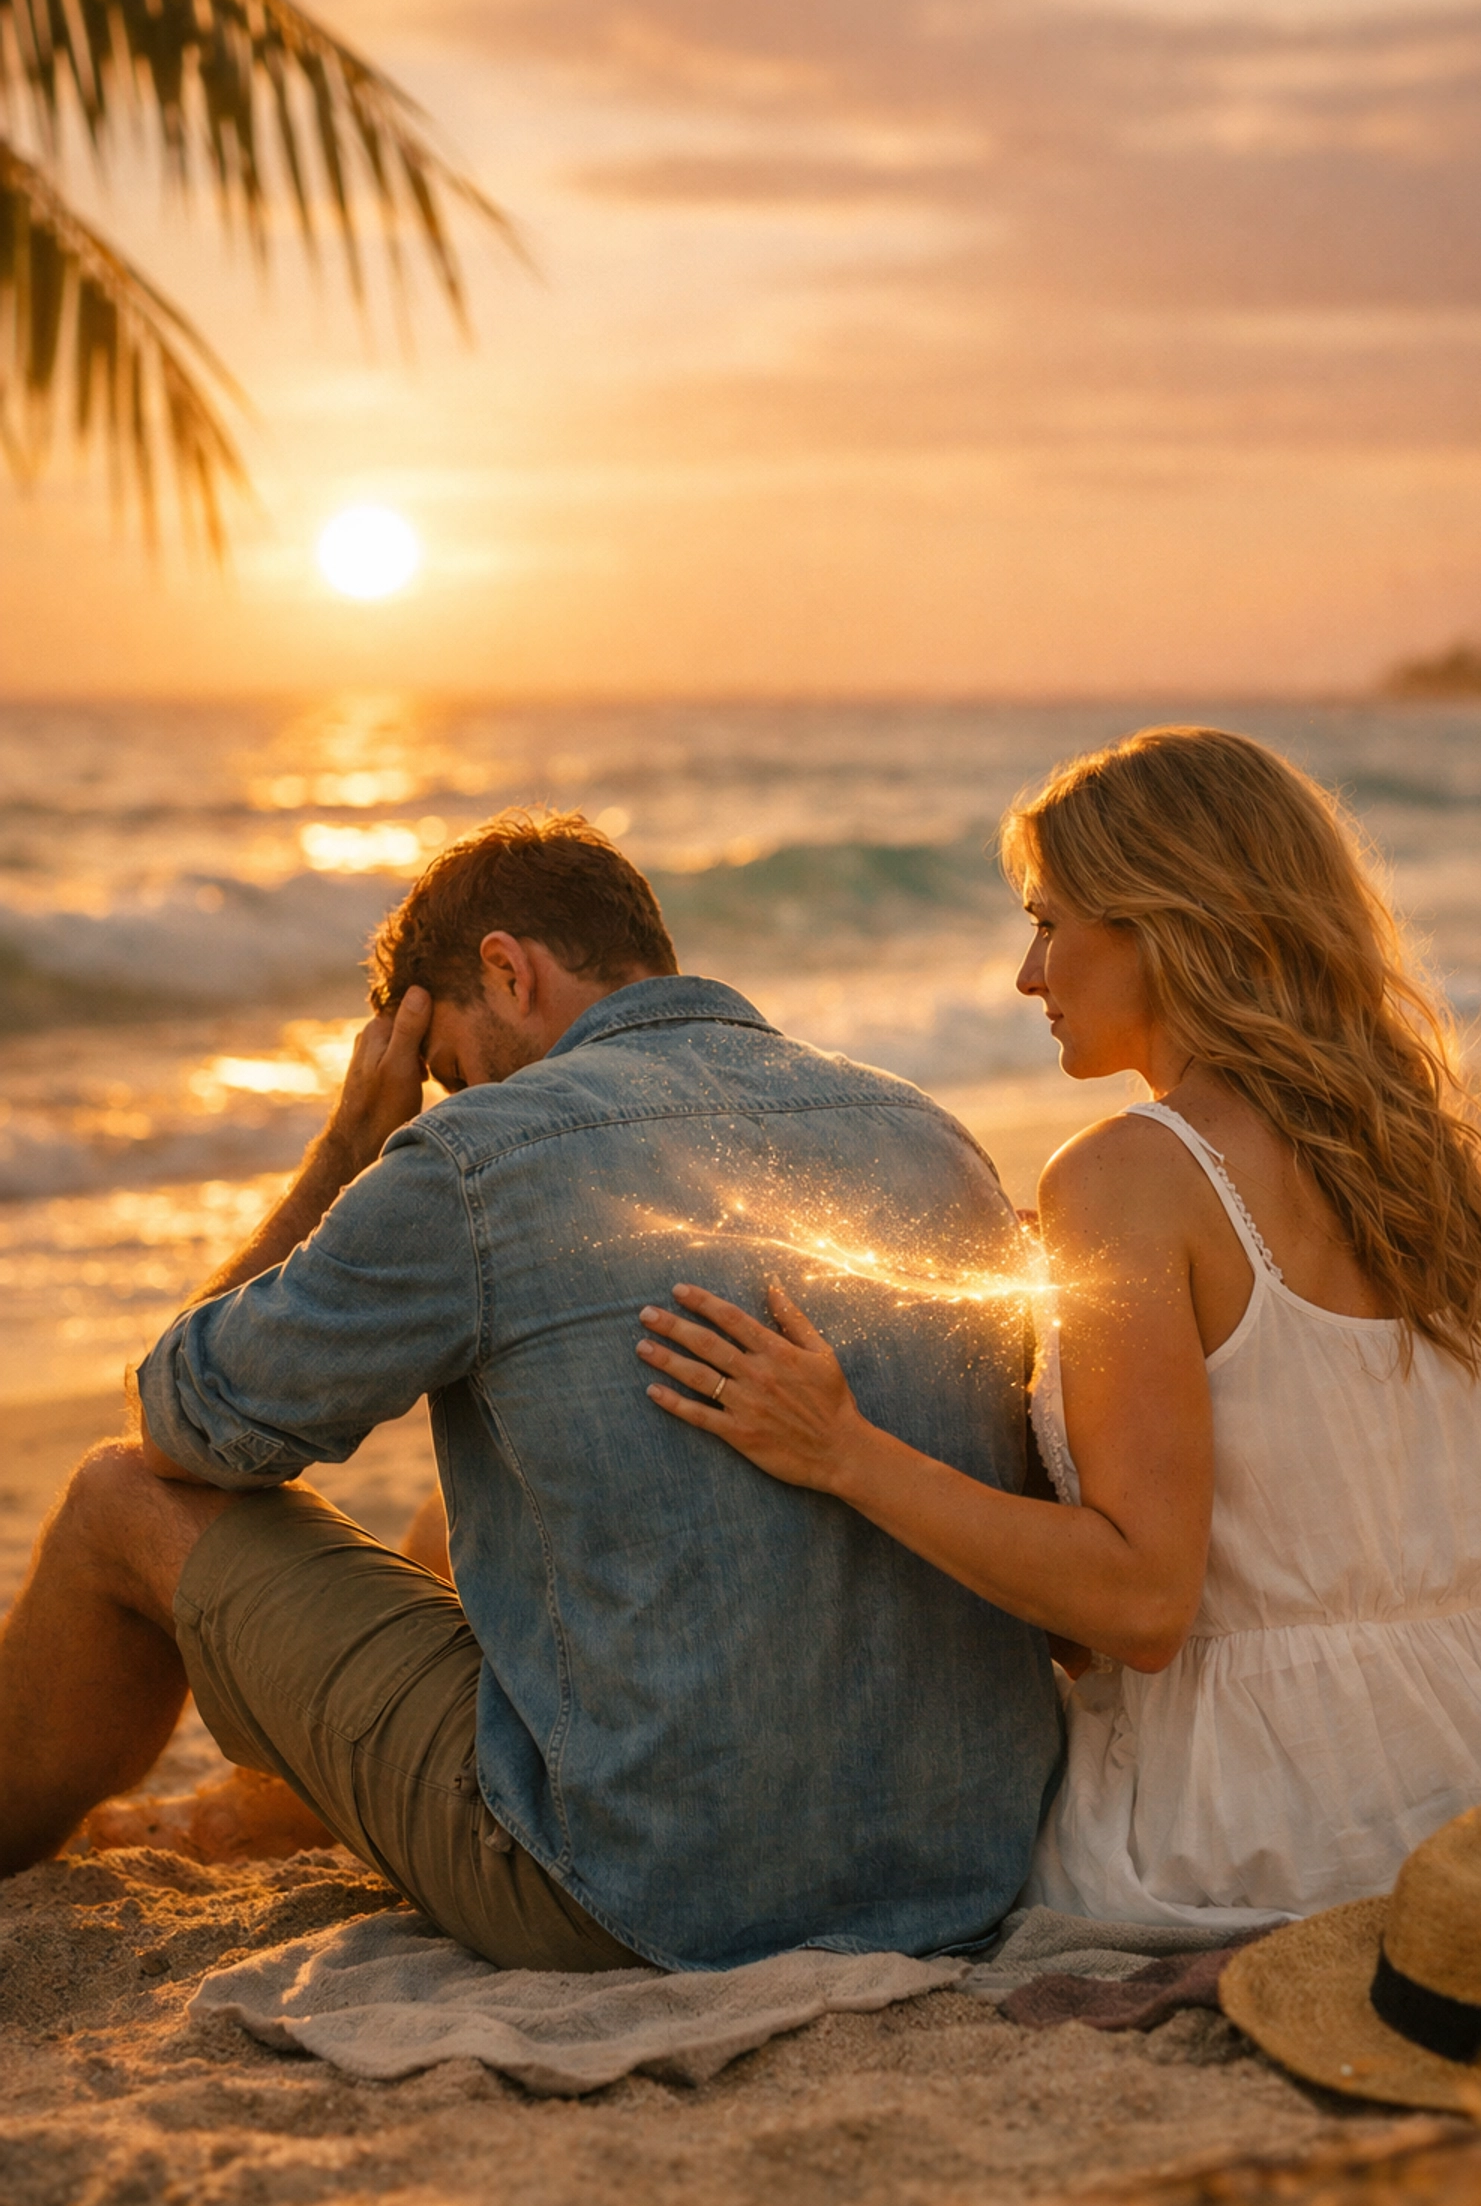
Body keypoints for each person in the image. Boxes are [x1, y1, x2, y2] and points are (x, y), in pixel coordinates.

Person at [0, 811, 1064, 1971]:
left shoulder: (477, 1156)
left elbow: (183, 1420)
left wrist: (352, 1145)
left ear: (507, 972)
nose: (443, 1094)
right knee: (452, 1520)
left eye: (445, 1065)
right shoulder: (925, 1130)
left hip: (646, 1890)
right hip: (961, 1867)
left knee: (117, 1500)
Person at [639, 728, 1481, 1927]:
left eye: (1051, 924)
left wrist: (840, 1449)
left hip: (1260, 1824)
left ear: (1167, 926)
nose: (1028, 975)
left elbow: (1143, 1608)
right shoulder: (1417, 1153)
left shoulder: (1130, 1174)